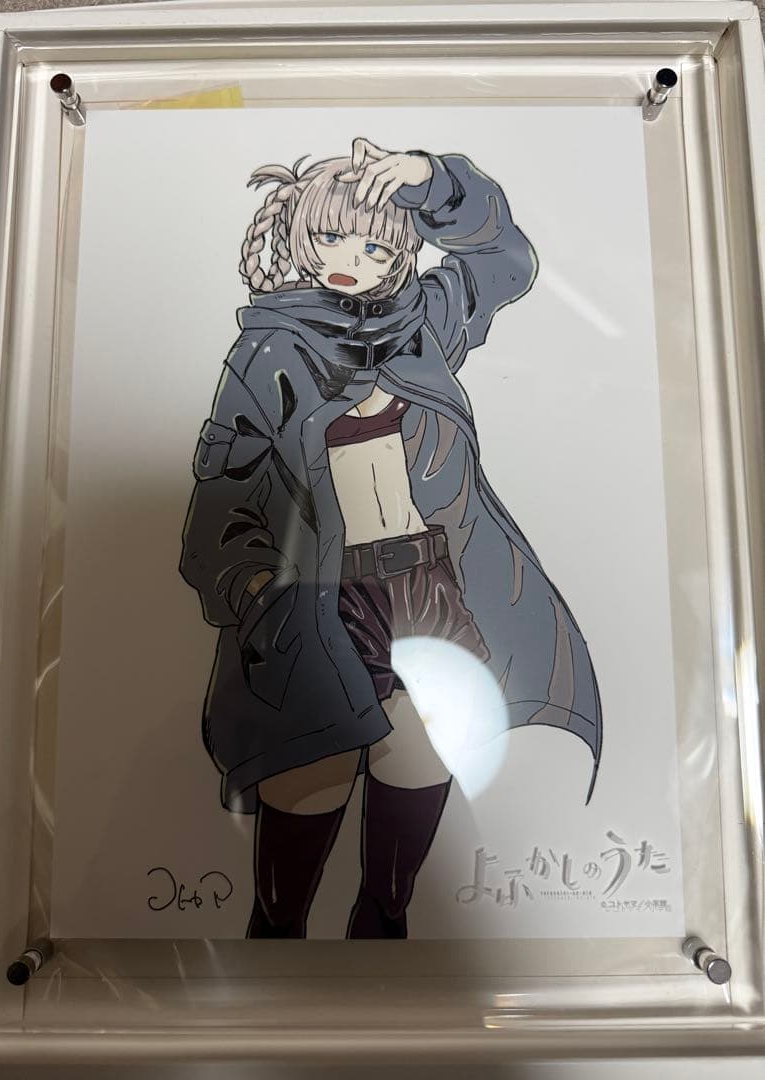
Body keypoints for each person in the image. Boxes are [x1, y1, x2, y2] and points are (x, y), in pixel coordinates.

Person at [179, 137, 602, 939]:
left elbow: (505, 262)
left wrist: (432, 180)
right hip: (315, 601)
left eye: (375, 246)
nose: (352, 260)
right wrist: (255, 594)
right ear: (300, 233)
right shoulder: (268, 351)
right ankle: (276, 957)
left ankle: (386, 944)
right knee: (310, 791)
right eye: (331, 237)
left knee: (415, 779)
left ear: (403, 250)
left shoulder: (426, 324)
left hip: (427, 587)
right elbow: (222, 493)